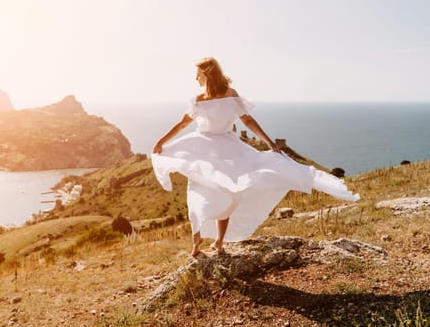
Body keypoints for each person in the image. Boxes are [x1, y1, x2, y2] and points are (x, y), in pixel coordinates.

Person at [151, 57, 359, 256]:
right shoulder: (218, 96)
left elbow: (185, 124)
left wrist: (269, 142)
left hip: (212, 148)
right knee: (223, 191)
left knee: (210, 191)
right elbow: (245, 121)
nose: (195, 78)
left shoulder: (206, 99)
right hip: (218, 148)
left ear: (206, 74)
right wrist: (162, 141)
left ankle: (210, 240)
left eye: (197, 74)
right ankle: (210, 241)